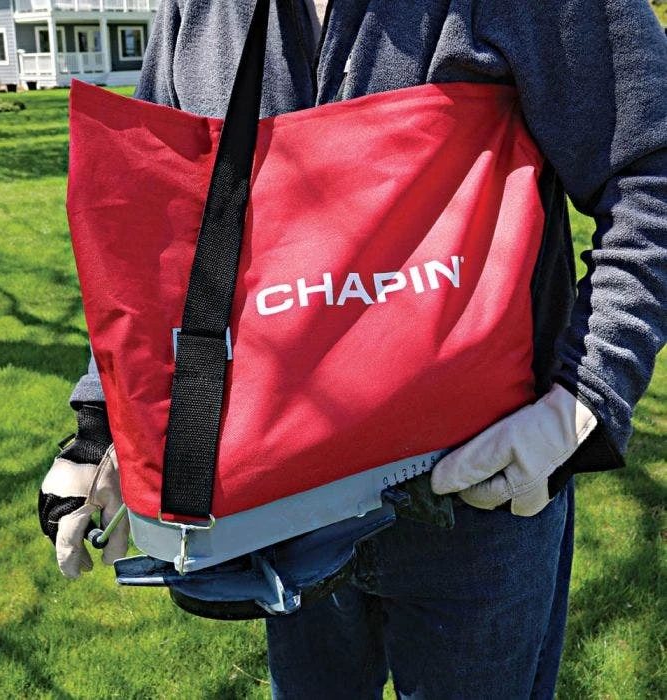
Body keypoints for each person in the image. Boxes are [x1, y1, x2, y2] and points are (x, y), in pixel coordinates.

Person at [38, 1, 667, 697]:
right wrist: (101, 425)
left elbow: (651, 173)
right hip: (276, 505)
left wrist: (587, 392)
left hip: (479, 501)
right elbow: (154, 232)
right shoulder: (202, 8)